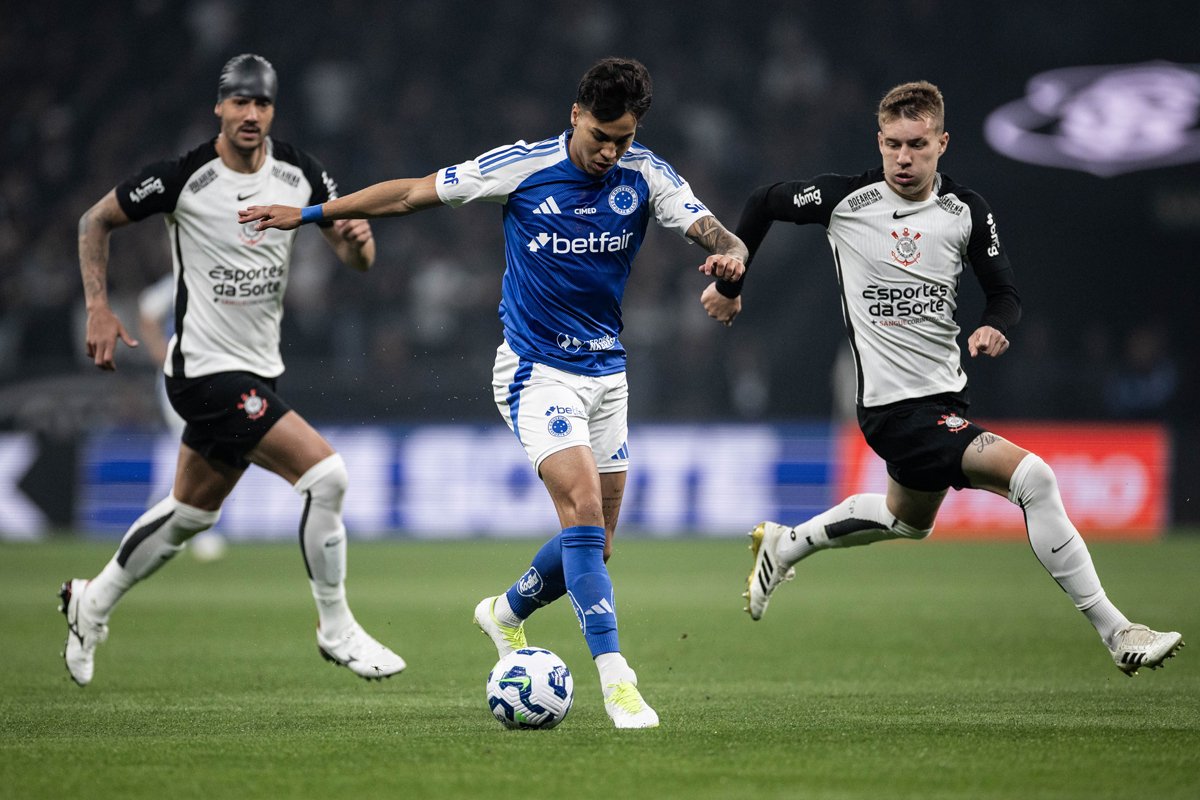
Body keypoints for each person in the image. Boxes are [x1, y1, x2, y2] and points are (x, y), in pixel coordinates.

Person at [242, 57, 747, 727]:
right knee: (582, 512)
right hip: (535, 371)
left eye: (623, 138)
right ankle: (617, 681)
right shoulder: (523, 166)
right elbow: (411, 194)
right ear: (576, 115)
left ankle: (504, 612)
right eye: (600, 136)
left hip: (607, 374)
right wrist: (310, 213)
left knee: (595, 545)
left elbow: (723, 237)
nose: (609, 151)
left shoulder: (645, 174)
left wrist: (732, 269)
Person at [704, 80, 1183, 676]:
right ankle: (1118, 632)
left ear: (942, 143)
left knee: (907, 519)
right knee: (1033, 478)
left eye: (917, 145)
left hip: (945, 399)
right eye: (893, 145)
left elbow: (1004, 293)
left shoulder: (966, 211)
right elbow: (763, 202)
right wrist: (730, 283)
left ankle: (785, 544)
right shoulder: (845, 201)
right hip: (893, 409)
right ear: (879, 142)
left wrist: (994, 326)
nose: (903, 158)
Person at [62, 53, 405, 686]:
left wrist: (359, 243)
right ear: (219, 106)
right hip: (204, 372)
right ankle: (336, 628)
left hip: (258, 369)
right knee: (326, 477)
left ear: (273, 110)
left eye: (262, 103)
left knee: (190, 514)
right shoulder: (183, 177)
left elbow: (356, 259)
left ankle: (92, 600)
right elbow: (95, 220)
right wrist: (98, 308)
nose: (251, 114)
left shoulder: (301, 173)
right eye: (240, 101)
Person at [137, 274, 229, 562]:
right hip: (180, 381)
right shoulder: (180, 279)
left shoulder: (218, 277)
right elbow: (147, 312)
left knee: (199, 450)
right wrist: (162, 354)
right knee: (197, 448)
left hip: (211, 379)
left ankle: (160, 515)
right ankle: (193, 528)